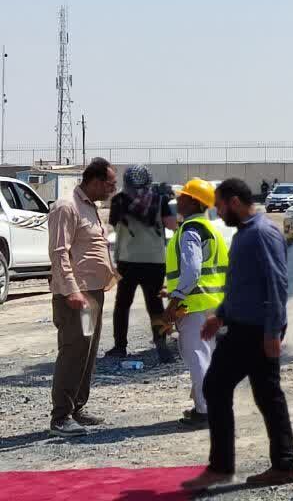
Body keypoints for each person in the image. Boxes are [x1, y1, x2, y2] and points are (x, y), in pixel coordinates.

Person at [183, 179, 293, 490]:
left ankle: (226, 466)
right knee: (264, 394)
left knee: (219, 386)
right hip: (246, 326)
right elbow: (243, 286)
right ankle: (284, 464)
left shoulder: (261, 233)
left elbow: (277, 284)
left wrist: (273, 332)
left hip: (257, 329)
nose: (218, 213)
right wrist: (220, 316)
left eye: (219, 206)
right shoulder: (248, 233)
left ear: (234, 201)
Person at [46, 157, 117, 438]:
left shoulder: (90, 207)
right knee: (73, 351)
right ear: (96, 181)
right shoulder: (67, 207)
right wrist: (72, 290)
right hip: (76, 296)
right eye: (110, 184)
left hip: (92, 294)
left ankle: (77, 407)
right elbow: (59, 252)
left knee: (86, 353)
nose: (112, 189)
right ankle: (60, 416)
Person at [160, 178, 227, 428]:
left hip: (195, 305)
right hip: (212, 303)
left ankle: (205, 411)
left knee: (197, 357)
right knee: (206, 357)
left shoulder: (190, 231)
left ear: (193, 201)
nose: (178, 200)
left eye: (183, 196)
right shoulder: (209, 229)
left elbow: (192, 272)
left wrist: (174, 303)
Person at [104, 164, 177, 362]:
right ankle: (162, 345)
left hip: (127, 260)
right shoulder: (159, 200)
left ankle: (120, 347)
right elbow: (172, 225)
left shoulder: (119, 200)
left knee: (122, 304)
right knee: (155, 305)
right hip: (155, 261)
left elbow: (114, 224)